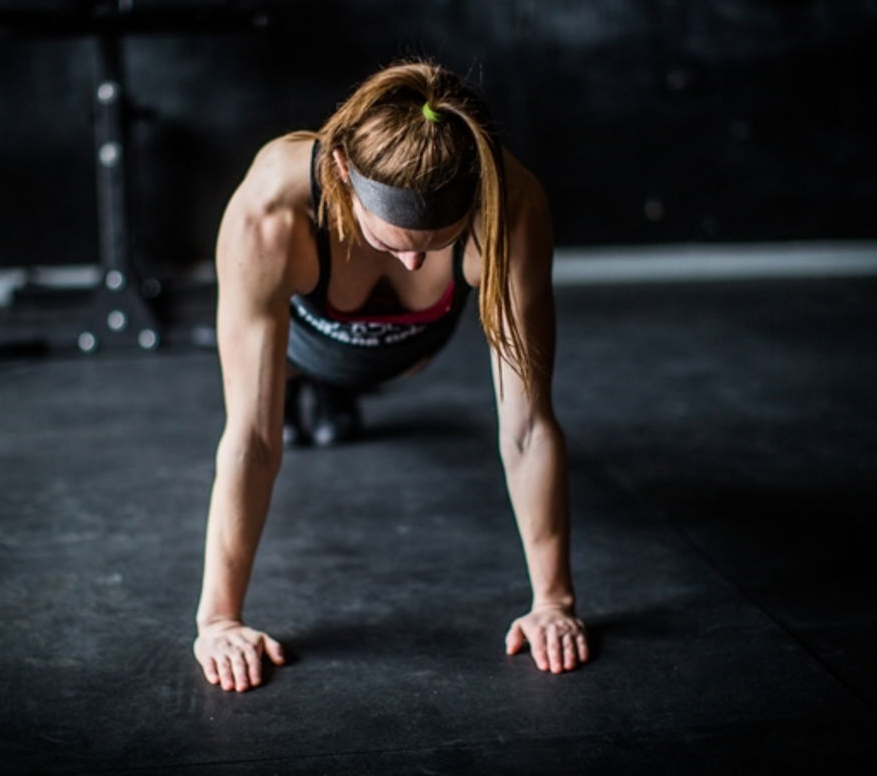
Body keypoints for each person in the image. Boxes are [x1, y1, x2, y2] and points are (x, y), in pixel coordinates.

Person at [192, 60, 587, 692]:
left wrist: (554, 602)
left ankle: (330, 400)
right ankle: (310, 393)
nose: (411, 262)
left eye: (433, 245)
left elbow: (528, 427)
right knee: (277, 411)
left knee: (351, 397)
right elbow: (251, 440)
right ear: (342, 171)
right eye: (391, 242)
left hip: (411, 353)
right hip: (303, 346)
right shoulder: (271, 210)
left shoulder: (511, 207)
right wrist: (219, 620)